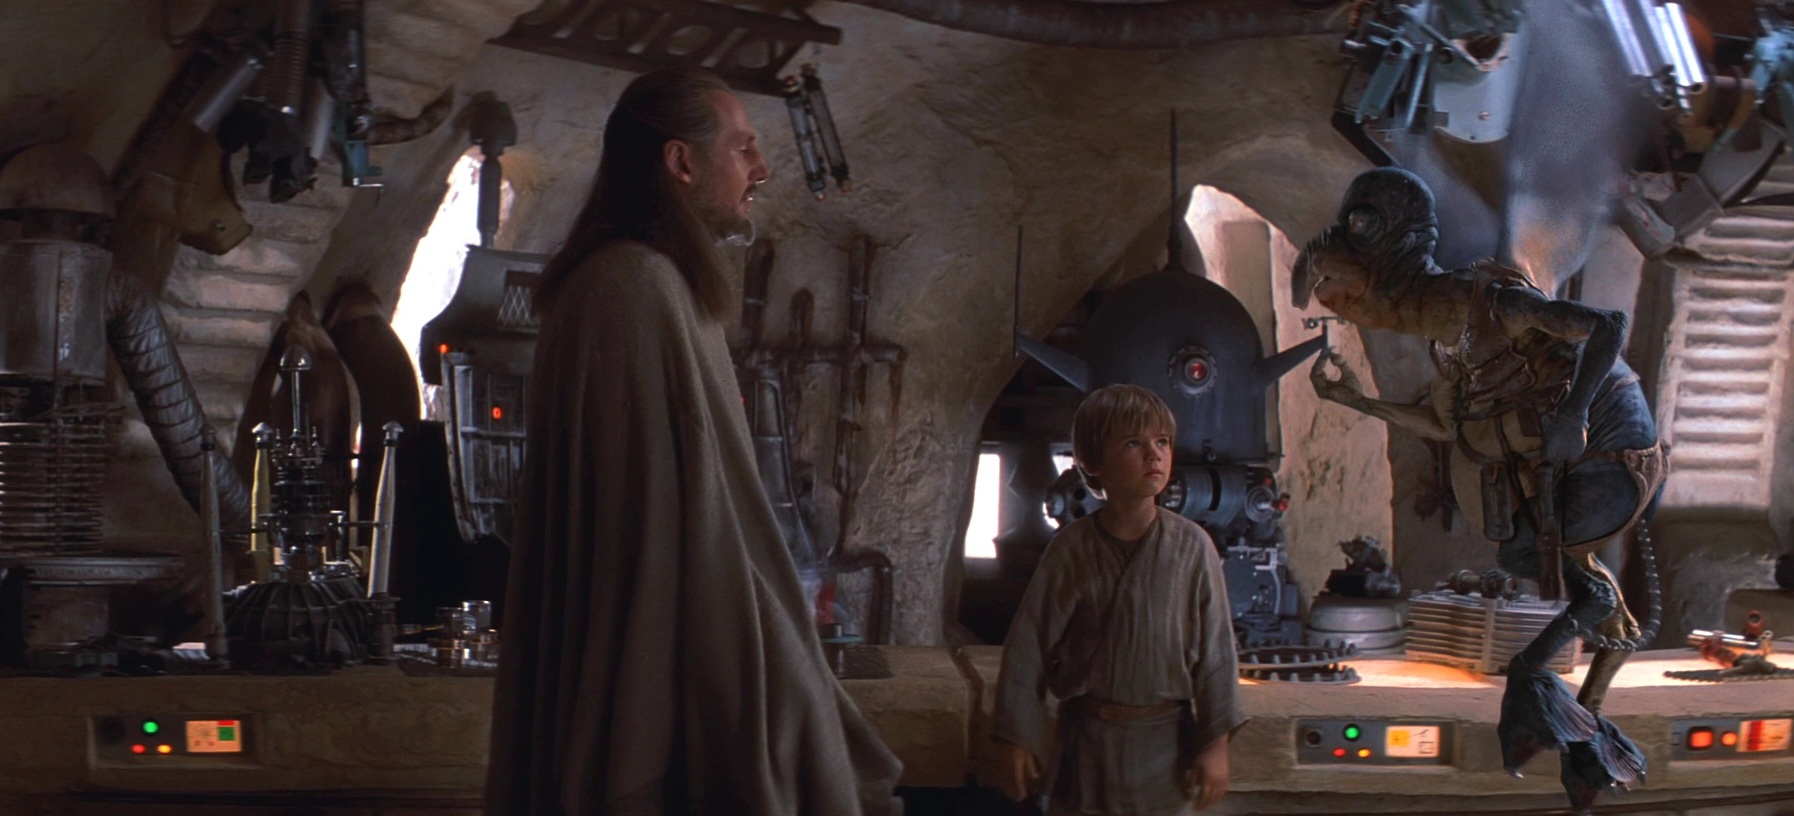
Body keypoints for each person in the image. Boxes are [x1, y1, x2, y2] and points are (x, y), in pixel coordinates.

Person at [484, 66, 904, 815]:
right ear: (680, 162)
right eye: (742, 148)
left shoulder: (659, 284)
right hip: (653, 655)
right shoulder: (632, 288)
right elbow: (662, 525)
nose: (761, 168)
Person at [991, 384, 1244, 816]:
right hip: (1088, 748)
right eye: (1133, 443)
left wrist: (1215, 745)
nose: (1154, 455)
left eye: (1161, 442)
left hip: (1167, 753)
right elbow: (1028, 647)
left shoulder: (1192, 546)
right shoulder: (1072, 549)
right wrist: (1016, 736)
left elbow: (1217, 655)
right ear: (1093, 463)